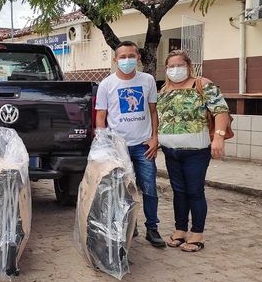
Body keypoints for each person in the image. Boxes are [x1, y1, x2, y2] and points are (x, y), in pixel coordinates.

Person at [157, 50, 230, 252]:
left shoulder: (202, 84)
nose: (175, 70)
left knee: (194, 191)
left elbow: (221, 110)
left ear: (188, 66)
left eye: (179, 65)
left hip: (196, 152)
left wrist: (219, 137)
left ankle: (197, 233)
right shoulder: (163, 90)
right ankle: (180, 230)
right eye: (170, 66)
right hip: (171, 152)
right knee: (179, 192)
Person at [95, 40, 166, 247]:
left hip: (143, 146)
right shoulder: (106, 84)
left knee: (150, 188)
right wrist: (103, 144)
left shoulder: (148, 80)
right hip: (118, 148)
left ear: (138, 58)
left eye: (131, 56)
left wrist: (155, 137)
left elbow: (153, 111)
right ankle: (130, 225)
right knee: (123, 190)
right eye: (122, 57)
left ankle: (152, 229)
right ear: (115, 59)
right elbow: (101, 116)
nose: (127, 60)